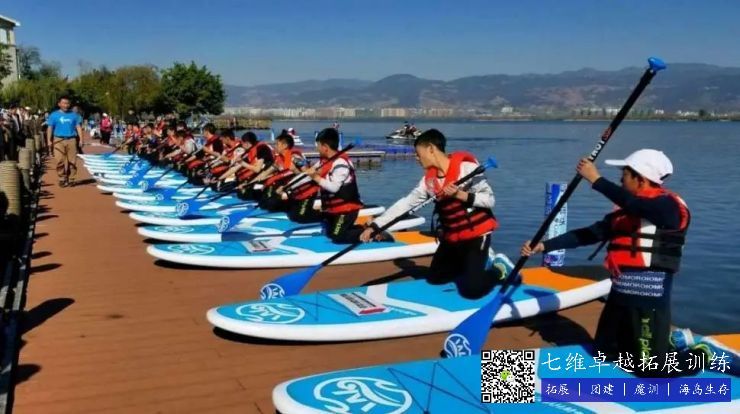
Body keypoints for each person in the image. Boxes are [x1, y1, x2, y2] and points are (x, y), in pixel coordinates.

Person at [520, 149, 695, 377]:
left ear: (640, 179)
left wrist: (596, 179)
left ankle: (702, 354)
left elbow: (639, 206)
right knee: (604, 355)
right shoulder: (624, 212)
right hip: (618, 298)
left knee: (651, 369)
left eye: (625, 174)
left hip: (648, 302)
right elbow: (587, 234)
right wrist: (543, 245)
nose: (621, 179)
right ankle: (667, 343)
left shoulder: (668, 207)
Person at [360, 129, 504, 298]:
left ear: (431, 149)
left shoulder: (468, 169)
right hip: (453, 237)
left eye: (418, 153)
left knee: (472, 290)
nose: (416, 157)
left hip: (476, 235)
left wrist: (460, 195)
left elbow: (489, 200)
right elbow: (405, 204)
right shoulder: (428, 182)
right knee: (436, 279)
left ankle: (498, 269)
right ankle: (468, 265)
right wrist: (375, 226)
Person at [302, 128, 366, 244]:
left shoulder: (340, 163)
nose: (317, 148)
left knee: (337, 237)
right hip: (333, 209)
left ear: (325, 147)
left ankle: (370, 232)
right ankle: (358, 228)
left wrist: (315, 177)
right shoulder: (323, 162)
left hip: (347, 209)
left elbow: (333, 188)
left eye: (318, 145)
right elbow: (307, 176)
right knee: (329, 233)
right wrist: (287, 188)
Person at [47, 96, 84, 187]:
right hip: (58, 140)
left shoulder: (74, 115)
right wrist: (48, 140)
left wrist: (81, 139)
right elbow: (50, 128)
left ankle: (71, 178)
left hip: (71, 139)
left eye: (67, 103)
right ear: (59, 104)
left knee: (72, 161)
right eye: (64, 103)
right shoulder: (54, 115)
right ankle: (62, 178)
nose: (66, 105)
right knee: (59, 160)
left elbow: (78, 127)